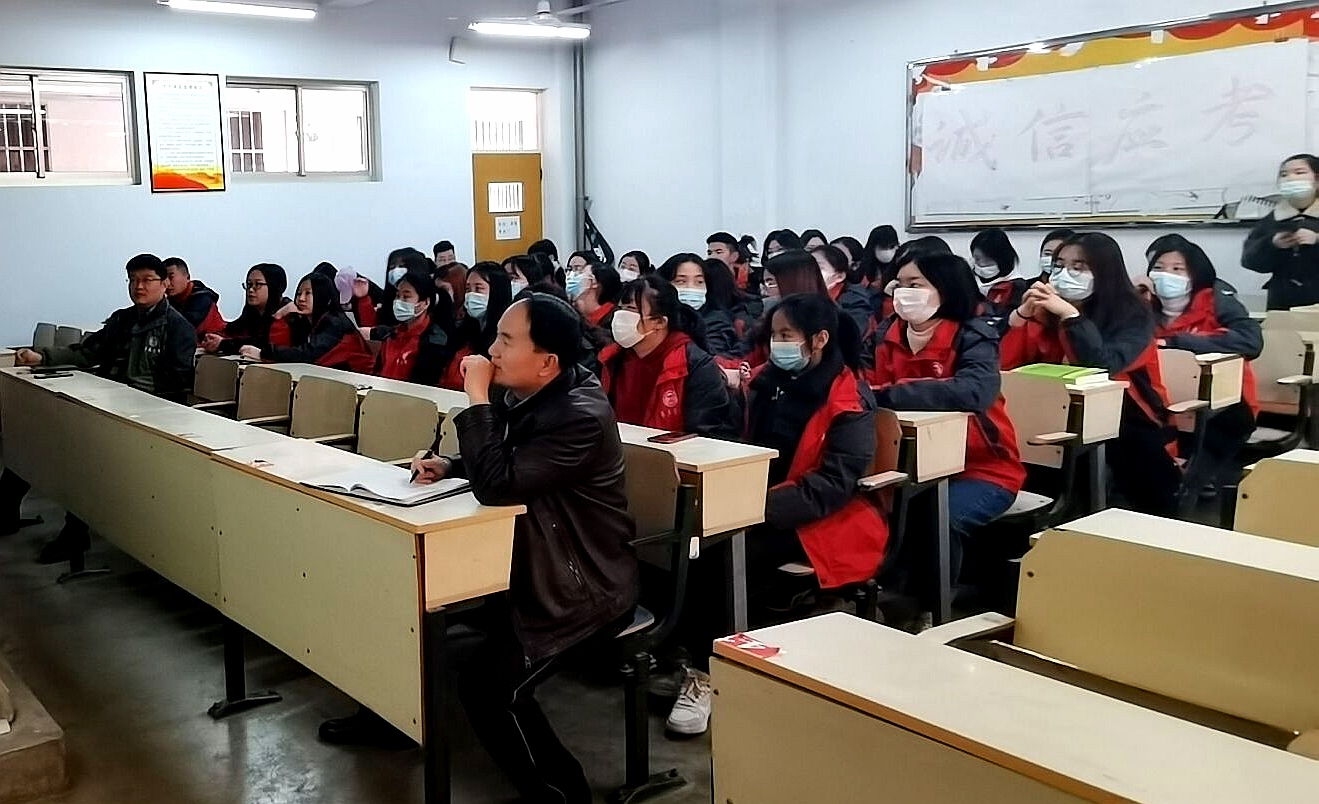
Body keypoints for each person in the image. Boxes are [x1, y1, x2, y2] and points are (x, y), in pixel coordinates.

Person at [407, 295, 639, 804]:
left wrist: (476, 398)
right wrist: (452, 465)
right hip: (534, 565)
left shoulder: (579, 415)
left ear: (547, 361)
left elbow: (501, 484)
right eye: (497, 336)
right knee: (416, 612)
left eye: (507, 341)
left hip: (582, 588)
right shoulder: (531, 393)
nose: (492, 350)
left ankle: (563, 794)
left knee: (488, 689)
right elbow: (516, 462)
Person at [665, 293, 886, 738]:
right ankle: (687, 652)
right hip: (752, 500)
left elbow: (835, 483)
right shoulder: (766, 383)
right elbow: (736, 442)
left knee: (722, 555)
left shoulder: (848, 398)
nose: (776, 344)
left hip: (819, 516)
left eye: (787, 335)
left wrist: (753, 507)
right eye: (774, 335)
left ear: (819, 339)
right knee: (680, 540)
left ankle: (710, 675)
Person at [5, 254, 195, 562]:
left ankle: (75, 534)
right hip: (107, 402)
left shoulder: (178, 328)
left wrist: (129, 397)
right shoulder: (123, 319)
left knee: (84, 454)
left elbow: (176, 383)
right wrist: (43, 358)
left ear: (164, 284)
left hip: (146, 415)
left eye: (147, 280)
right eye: (133, 280)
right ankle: (6, 507)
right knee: (37, 430)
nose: (139, 287)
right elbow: (89, 352)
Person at [866, 252, 1026, 605]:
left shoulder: (973, 335)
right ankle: (879, 595)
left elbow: (974, 391)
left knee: (937, 516)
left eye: (915, 284)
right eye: (899, 284)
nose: (903, 292)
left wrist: (889, 394)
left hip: (982, 469)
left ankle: (930, 607)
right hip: (904, 466)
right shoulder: (884, 333)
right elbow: (858, 384)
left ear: (946, 288)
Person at [1002, 232, 1180, 516]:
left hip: (1126, 414)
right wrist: (1020, 316)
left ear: (1104, 273)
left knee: (1116, 455)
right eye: (1060, 265)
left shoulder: (1133, 316)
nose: (1065, 274)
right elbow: (1005, 366)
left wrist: (1072, 318)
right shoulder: (1045, 312)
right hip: (1053, 409)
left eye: (1079, 267)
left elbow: (1102, 364)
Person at [1147, 239, 1262, 503]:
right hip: (1163, 401)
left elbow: (1251, 342)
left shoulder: (1218, 302)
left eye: (1178, 269)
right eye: (1159, 267)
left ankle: (1188, 487)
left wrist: (1178, 343)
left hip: (1226, 402)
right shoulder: (1144, 305)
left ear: (1195, 274)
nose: (1166, 275)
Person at [598, 275, 737, 437]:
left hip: (672, 451)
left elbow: (706, 431)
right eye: (620, 308)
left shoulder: (695, 364)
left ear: (660, 322)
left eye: (631, 309)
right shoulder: (611, 358)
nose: (620, 316)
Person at [241, 272, 373, 372]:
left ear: (323, 296)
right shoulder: (307, 321)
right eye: (299, 294)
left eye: (308, 293)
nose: (301, 299)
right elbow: (282, 344)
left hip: (361, 383)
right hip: (332, 378)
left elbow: (308, 354)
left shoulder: (334, 322)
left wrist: (263, 354)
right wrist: (280, 316)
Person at [1243, 154, 1319, 309]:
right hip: (1283, 300)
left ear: (1317, 179)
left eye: (1299, 172)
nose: (1290, 178)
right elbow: (1250, 261)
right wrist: (1272, 244)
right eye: (1284, 175)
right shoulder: (1273, 219)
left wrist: (1317, 240)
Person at [373, 268, 460, 385]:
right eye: (397, 296)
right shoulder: (392, 336)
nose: (399, 301)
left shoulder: (435, 341)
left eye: (406, 297)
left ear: (425, 303)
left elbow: (426, 384)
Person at [441, 262, 514, 390]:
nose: (471, 295)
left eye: (478, 289)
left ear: (497, 292)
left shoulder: (507, 336)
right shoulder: (463, 331)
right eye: (468, 289)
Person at [656, 253, 740, 357]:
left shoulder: (717, 322)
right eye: (681, 281)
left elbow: (711, 357)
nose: (690, 287)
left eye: (699, 282)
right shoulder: (654, 318)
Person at [202, 263, 292, 355]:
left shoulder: (286, 314)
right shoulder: (251, 315)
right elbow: (232, 331)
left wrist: (224, 344)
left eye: (258, 284)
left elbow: (266, 345)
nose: (251, 289)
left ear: (274, 286)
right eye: (249, 284)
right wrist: (211, 338)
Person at [970, 228, 1032, 332]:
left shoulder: (1019, 287)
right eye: (977, 258)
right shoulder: (968, 281)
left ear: (1002, 259)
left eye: (988, 260)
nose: (981, 264)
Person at [813, 245, 873, 336]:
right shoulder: (800, 292)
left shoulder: (856, 299)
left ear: (839, 276)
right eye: (808, 266)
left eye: (819, 267)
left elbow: (851, 334)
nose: (811, 270)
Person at [163, 256, 226, 337]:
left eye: (171, 277)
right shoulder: (170, 301)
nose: (167, 283)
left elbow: (184, 328)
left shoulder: (202, 299)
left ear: (188, 277)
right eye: (163, 279)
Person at [566, 255, 622, 335]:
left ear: (594, 282)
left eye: (581, 273)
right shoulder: (571, 313)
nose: (572, 277)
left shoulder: (615, 320)